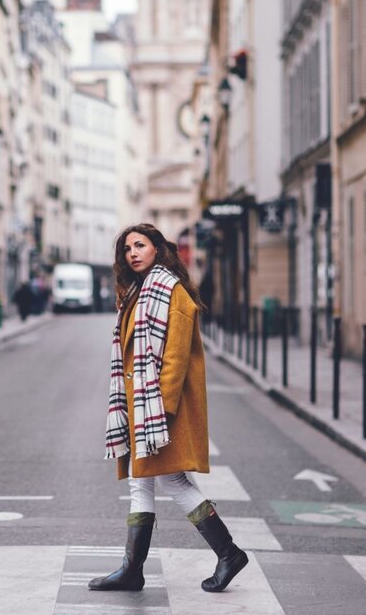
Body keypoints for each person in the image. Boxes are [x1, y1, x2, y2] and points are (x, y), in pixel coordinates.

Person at [89, 223, 248, 594]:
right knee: (139, 481)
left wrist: (161, 409)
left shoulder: (169, 291)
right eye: (127, 248)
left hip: (159, 408)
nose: (132, 252)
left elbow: (174, 358)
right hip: (142, 405)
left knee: (173, 481)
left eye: (140, 245)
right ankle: (132, 570)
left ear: (158, 249)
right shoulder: (136, 293)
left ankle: (228, 554)